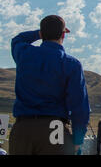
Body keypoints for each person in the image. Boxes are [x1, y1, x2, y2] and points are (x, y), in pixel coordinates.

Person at [9, 15, 90, 155]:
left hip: (22, 129)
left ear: (42, 34)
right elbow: (79, 106)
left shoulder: (24, 54)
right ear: (63, 34)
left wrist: (39, 33)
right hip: (55, 128)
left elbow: (18, 39)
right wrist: (78, 140)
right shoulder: (71, 64)